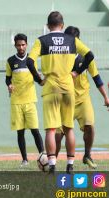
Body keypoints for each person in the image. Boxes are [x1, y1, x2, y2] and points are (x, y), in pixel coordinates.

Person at [26, 11, 95, 174]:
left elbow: (29, 61)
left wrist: (38, 78)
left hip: (51, 88)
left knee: (51, 129)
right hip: (68, 88)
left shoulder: (41, 41)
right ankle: (70, 165)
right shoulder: (72, 40)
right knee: (68, 128)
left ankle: (52, 165)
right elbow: (90, 55)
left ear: (48, 26)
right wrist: (77, 72)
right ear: (62, 25)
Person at [55, 26, 109, 169]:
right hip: (65, 100)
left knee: (90, 127)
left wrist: (106, 97)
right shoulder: (59, 57)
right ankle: (51, 161)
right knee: (58, 134)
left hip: (83, 99)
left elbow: (96, 78)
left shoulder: (86, 57)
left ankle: (87, 155)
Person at [5, 33, 44, 167]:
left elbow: (37, 77)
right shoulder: (10, 61)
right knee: (20, 132)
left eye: (23, 44)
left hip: (30, 100)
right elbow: (7, 78)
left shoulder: (31, 60)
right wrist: (9, 85)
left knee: (35, 130)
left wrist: (42, 81)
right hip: (16, 101)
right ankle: (25, 159)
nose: (21, 47)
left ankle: (42, 156)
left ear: (26, 45)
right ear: (15, 45)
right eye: (18, 45)